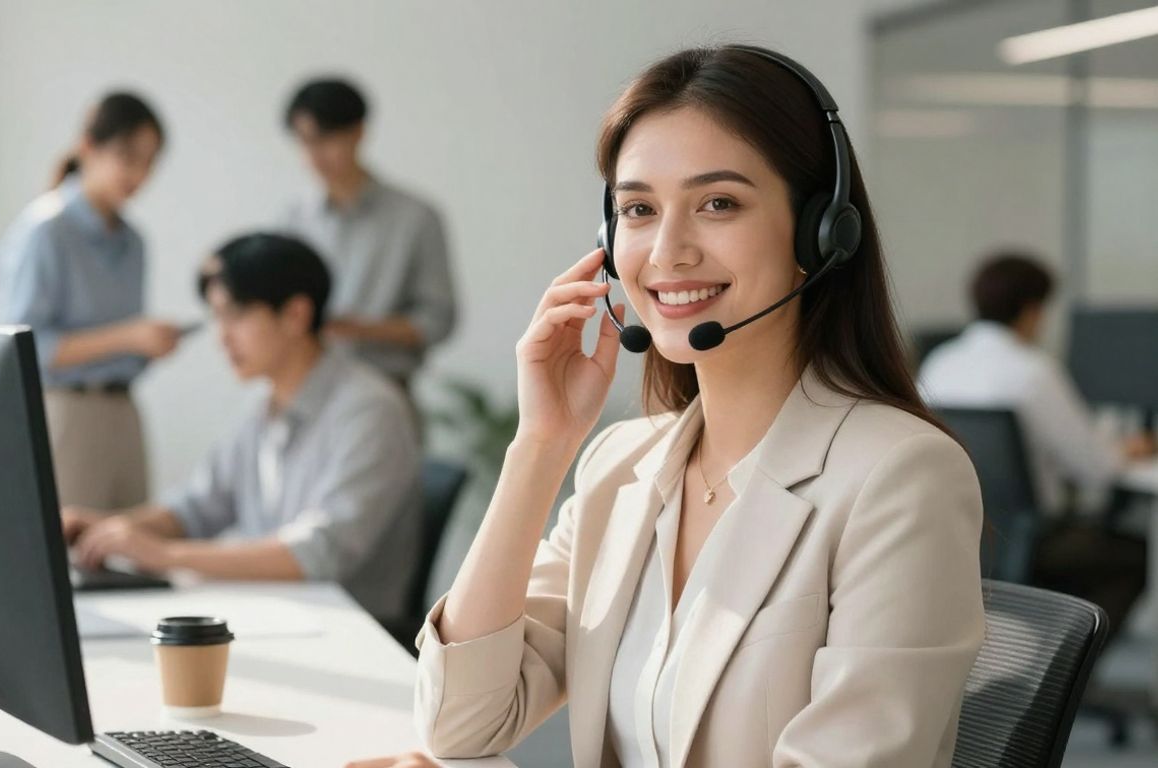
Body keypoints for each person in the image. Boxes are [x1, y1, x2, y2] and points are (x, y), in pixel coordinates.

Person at [353, 45, 984, 768]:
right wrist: (541, 446)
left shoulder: (900, 476)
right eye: (638, 210)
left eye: (718, 203)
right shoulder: (621, 466)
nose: (668, 250)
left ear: (821, 231)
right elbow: (462, 725)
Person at [61, 233, 421, 623]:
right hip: (271, 611)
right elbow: (200, 506)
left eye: (235, 315)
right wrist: (109, 528)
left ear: (296, 315)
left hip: (346, 627)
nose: (222, 338)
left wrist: (164, 555)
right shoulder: (263, 404)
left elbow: (318, 554)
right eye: (217, 318)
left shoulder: (369, 410)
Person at [919, 252, 1154, 635]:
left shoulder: (938, 364)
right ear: (1031, 311)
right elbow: (1095, 468)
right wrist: (1126, 448)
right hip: (1032, 539)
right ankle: (1067, 669)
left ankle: (1041, 661)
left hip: (957, 535)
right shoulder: (1033, 372)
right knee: (1136, 555)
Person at [0, 91, 180, 510]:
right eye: (128, 157)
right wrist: (128, 337)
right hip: (66, 414)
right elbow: (19, 347)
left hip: (123, 411)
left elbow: (126, 340)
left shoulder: (133, 242)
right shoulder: (45, 231)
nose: (138, 175)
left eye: (149, 162)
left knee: (129, 552)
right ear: (88, 148)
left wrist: (147, 345)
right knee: (69, 556)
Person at [280, 77, 457, 393]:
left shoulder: (415, 217)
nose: (315, 156)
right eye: (304, 141)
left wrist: (362, 330)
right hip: (305, 386)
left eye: (325, 139)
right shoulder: (293, 219)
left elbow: (439, 319)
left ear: (358, 132)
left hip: (385, 386)